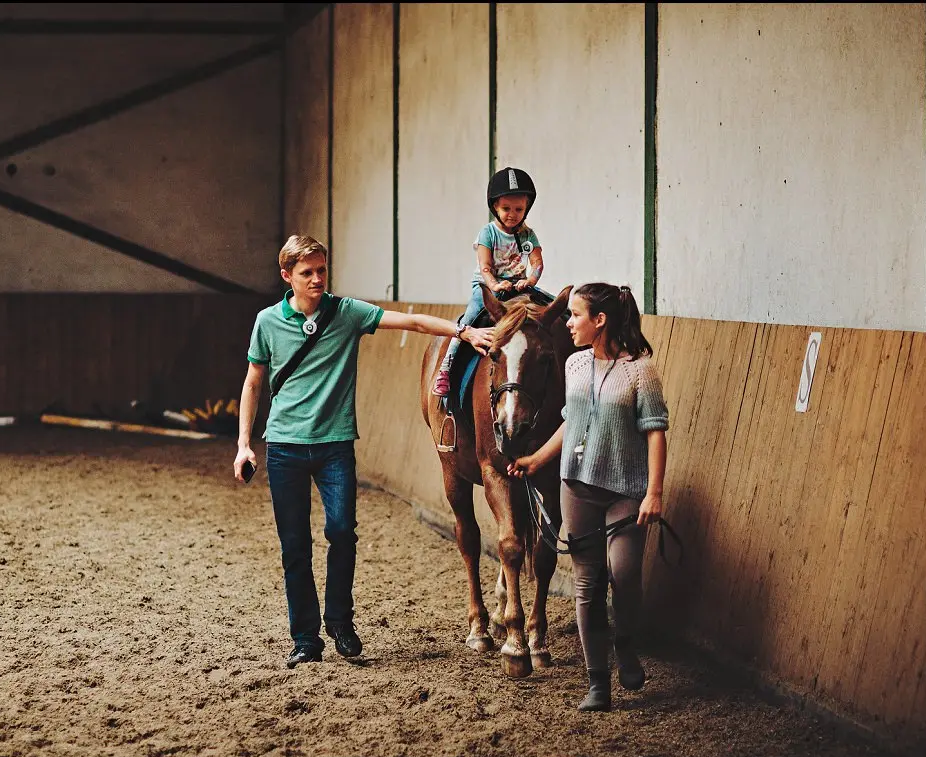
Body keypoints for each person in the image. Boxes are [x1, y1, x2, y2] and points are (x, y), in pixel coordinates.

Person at [233, 234, 494, 669]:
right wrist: (244, 444)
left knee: (342, 532)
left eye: (321, 270)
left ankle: (340, 621)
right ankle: (305, 639)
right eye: (307, 273)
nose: (317, 279)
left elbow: (412, 322)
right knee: (294, 545)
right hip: (284, 447)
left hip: (335, 445)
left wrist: (463, 331)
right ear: (287, 276)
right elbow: (253, 381)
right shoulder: (267, 322)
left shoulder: (347, 312)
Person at [506, 282, 669, 711]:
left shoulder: (640, 371)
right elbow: (570, 421)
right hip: (577, 487)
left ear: (600, 320)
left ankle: (625, 642)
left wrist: (654, 492)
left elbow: (655, 432)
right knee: (587, 584)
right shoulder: (574, 364)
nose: (569, 324)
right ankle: (598, 682)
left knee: (624, 573)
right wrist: (536, 460)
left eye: (575, 315)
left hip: (626, 492)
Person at [432, 166, 555, 396]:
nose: (512, 214)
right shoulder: (487, 234)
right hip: (490, 288)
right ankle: (446, 367)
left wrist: (530, 280)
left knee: (555, 306)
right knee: (468, 320)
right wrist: (495, 285)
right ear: (495, 207)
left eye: (519, 209)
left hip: (518, 288)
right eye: (506, 208)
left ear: (526, 208)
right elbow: (485, 267)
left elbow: (537, 262)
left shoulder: (528, 235)